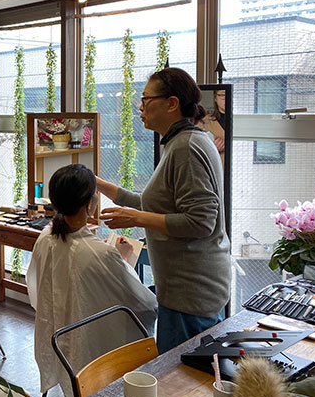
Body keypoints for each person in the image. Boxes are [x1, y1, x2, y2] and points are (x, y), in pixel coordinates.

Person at [98, 68, 230, 353]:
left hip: (190, 295)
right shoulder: (184, 142)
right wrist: (98, 184)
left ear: (172, 103)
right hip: (187, 290)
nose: (140, 108)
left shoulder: (187, 147)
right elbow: (152, 202)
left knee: (179, 387)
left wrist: (135, 219)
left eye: (146, 100)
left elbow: (200, 222)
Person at [26, 164, 157, 397]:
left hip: (57, 343)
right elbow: (145, 305)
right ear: (89, 203)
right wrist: (125, 260)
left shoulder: (45, 237)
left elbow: (35, 288)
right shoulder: (100, 253)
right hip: (90, 356)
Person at [200, 89, 226, 163]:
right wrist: (212, 147)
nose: (226, 98)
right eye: (222, 95)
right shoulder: (204, 122)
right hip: (216, 169)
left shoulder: (241, 121)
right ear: (215, 98)